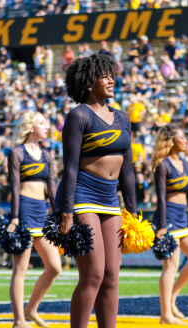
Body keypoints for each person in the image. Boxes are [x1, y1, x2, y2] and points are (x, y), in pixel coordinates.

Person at [55, 54, 136, 328]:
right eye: (105, 75)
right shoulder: (78, 115)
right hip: (82, 196)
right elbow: (70, 167)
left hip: (110, 199)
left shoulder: (122, 117)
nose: (112, 79)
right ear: (90, 83)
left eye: (112, 74)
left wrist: (133, 211)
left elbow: (128, 169)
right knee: (94, 273)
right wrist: (66, 211)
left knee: (112, 276)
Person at [7, 112, 60, 328]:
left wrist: (58, 215)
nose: (46, 127)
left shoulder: (47, 154)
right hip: (25, 211)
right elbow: (15, 187)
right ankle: (18, 320)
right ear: (30, 127)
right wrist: (15, 218)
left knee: (55, 267)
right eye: (41, 123)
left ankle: (31, 309)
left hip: (42, 213)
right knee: (21, 269)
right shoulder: (16, 153)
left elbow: (52, 187)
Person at [151, 126, 188, 325]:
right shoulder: (162, 165)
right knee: (171, 266)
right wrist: (163, 226)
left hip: (183, 220)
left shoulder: (185, 163)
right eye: (181, 137)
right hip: (168, 220)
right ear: (170, 141)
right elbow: (161, 198)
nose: (185, 140)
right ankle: (165, 315)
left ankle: (171, 297)